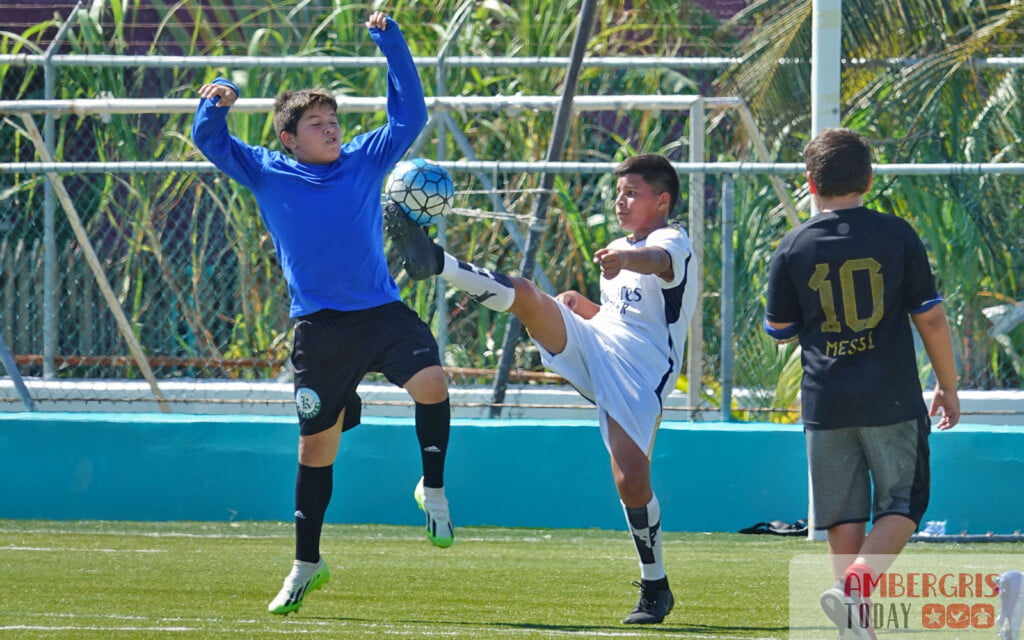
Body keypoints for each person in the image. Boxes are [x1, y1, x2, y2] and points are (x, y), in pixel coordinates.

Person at [191, 11, 456, 616]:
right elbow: (209, 139)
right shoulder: (265, 169)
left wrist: (390, 41)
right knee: (317, 452)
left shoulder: (362, 161)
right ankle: (307, 564)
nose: (331, 130)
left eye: (334, 121)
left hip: (381, 314)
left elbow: (408, 115)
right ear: (289, 137)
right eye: (317, 124)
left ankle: (432, 487)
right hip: (320, 330)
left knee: (434, 384)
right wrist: (219, 97)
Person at [386, 153, 697, 625]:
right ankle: (437, 262)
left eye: (631, 192)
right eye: (618, 192)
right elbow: (622, 319)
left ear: (662, 200)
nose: (620, 200)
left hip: (643, 371)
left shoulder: (672, 240)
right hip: (601, 347)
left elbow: (655, 263)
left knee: (630, 477)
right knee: (530, 297)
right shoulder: (616, 245)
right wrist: (582, 308)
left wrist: (626, 258)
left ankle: (655, 585)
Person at [763, 128, 960, 639]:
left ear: (810, 183)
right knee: (904, 503)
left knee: (842, 513)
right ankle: (853, 593)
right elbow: (932, 319)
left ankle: (854, 623)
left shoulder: (793, 246)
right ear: (869, 180)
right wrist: (949, 385)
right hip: (890, 397)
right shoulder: (896, 234)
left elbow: (779, 332)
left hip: (825, 403)